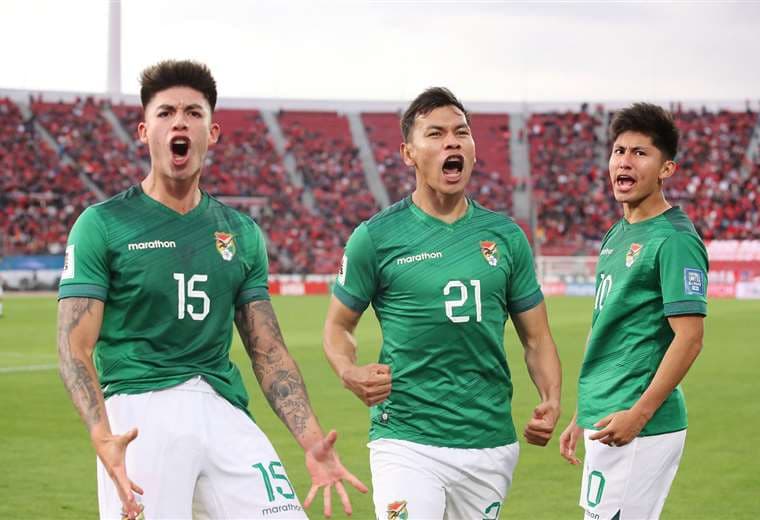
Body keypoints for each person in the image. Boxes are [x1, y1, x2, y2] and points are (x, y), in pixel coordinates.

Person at [56, 59, 366, 520]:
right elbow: (73, 344)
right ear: (144, 131)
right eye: (165, 113)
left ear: (212, 132)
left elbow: (268, 350)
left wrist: (312, 441)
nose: (179, 121)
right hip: (141, 413)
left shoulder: (239, 232)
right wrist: (102, 434)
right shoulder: (102, 223)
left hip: (223, 407)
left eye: (193, 113)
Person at [322, 87, 562, 520]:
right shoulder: (375, 237)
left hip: (488, 439)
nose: (452, 142)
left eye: (461, 132)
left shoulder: (506, 238)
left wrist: (551, 397)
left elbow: (537, 336)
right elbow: (338, 327)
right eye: (435, 134)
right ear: (408, 153)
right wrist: (348, 371)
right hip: (406, 436)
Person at [559, 103, 708, 520]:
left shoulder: (674, 239)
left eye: (640, 153)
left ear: (667, 168)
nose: (624, 161)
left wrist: (639, 416)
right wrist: (581, 413)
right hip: (604, 415)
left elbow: (690, 337)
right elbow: (604, 326)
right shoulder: (617, 233)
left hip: (638, 424)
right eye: (619, 151)